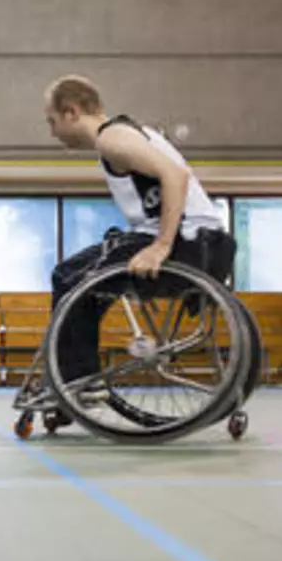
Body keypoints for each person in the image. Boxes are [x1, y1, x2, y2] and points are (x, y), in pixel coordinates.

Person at [42, 74, 235, 403]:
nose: (52, 132)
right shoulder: (132, 132)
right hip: (213, 244)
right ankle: (76, 376)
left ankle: (78, 380)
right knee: (76, 271)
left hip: (185, 242)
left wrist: (161, 245)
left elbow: (176, 175)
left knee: (71, 280)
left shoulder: (112, 138)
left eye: (52, 121)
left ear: (72, 112)